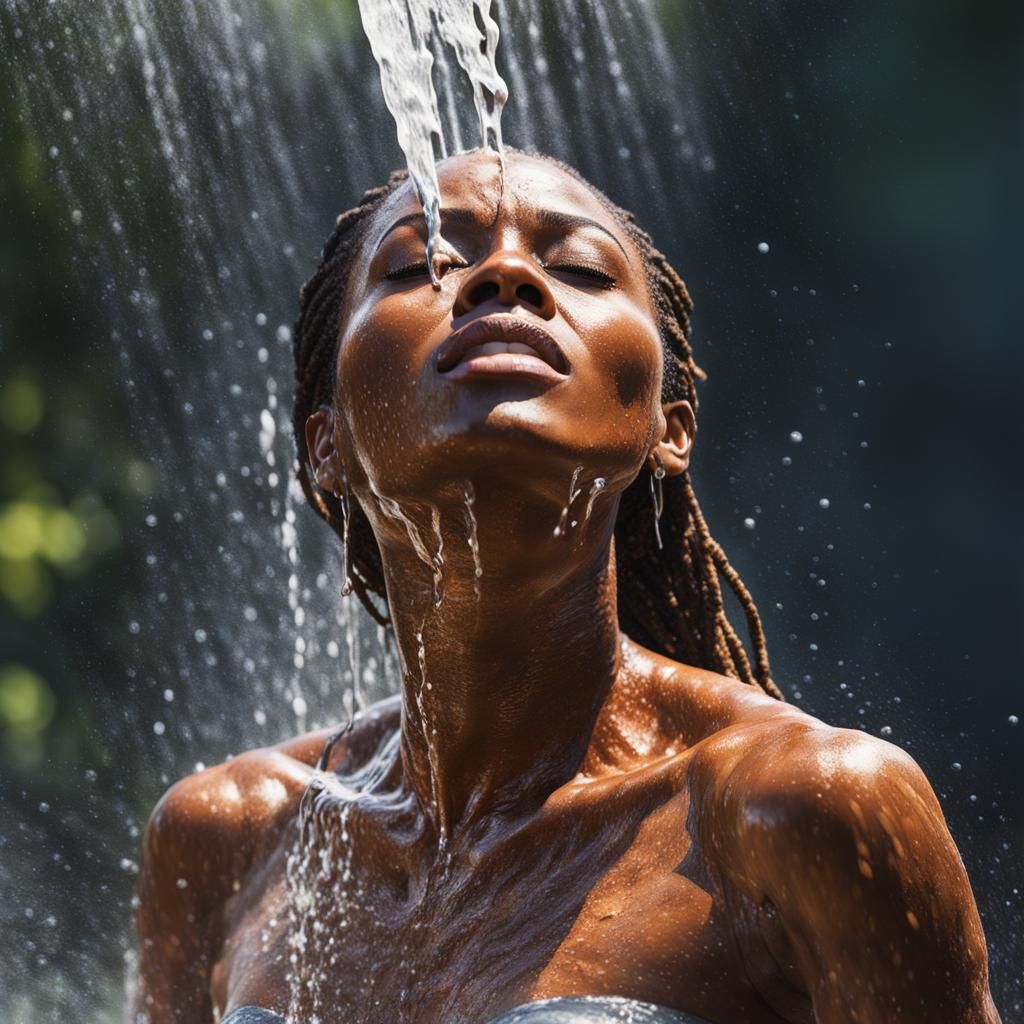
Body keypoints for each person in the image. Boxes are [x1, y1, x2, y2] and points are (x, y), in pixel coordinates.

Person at [132, 149, 1001, 1024]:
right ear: (328, 446)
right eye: (421, 264)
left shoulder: (796, 811)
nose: (505, 274)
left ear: (668, 428)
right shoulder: (230, 838)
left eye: (579, 268)